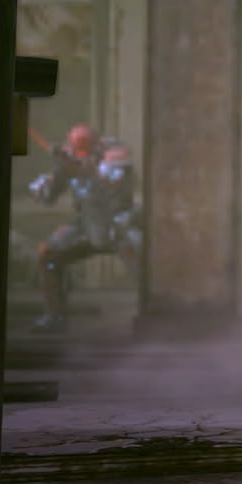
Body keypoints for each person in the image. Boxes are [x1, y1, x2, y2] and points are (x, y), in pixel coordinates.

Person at [27, 123, 141, 334]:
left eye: (84, 145)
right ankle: (54, 315)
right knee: (48, 257)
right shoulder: (68, 162)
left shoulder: (113, 150)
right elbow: (48, 197)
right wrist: (54, 178)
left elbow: (113, 178)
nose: (79, 150)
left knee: (145, 261)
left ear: (96, 142)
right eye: (75, 146)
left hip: (118, 224)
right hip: (86, 224)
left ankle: (157, 312)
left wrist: (80, 166)